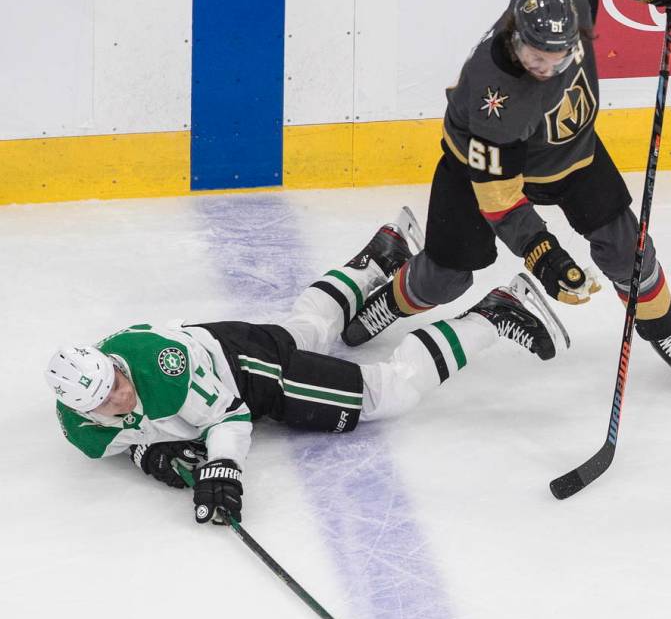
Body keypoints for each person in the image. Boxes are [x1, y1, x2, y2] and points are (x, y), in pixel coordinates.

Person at [45, 210, 567, 525]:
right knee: (304, 332)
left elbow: (229, 416)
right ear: (81, 410)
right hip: (230, 342)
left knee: (387, 394)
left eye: (115, 381)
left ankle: (496, 314)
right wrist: (157, 459)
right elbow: (131, 440)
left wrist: (222, 467)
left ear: (113, 364)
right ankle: (383, 255)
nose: (119, 395)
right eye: (104, 400)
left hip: (244, 375)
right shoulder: (84, 433)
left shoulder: (161, 367)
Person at [341, 0, 671, 383]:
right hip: (475, 170)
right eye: (534, 56)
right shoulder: (495, 97)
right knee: (444, 280)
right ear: (515, 36)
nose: (544, 68)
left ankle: (665, 330)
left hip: (571, 156)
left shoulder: (567, 0)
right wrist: (543, 254)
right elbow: (500, 200)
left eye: (555, 58)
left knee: (628, 250)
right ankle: (396, 296)